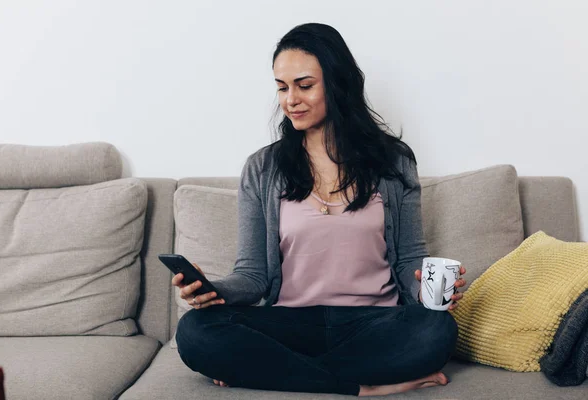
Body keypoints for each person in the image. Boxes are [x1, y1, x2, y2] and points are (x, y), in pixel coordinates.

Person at [173, 22, 467, 397]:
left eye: (304, 85)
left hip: (374, 322)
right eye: (282, 87)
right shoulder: (262, 169)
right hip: (291, 322)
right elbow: (252, 275)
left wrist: (432, 290)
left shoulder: (394, 162)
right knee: (195, 332)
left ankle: (271, 370)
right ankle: (366, 388)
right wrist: (213, 290)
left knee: (436, 330)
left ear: (338, 83)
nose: (290, 99)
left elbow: (410, 257)